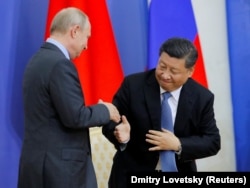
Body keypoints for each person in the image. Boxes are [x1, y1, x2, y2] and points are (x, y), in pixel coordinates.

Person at [18, 7, 121, 188]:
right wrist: (106, 110)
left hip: (38, 166)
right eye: (87, 37)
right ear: (75, 31)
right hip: (59, 171)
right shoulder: (60, 64)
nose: (87, 45)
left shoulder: (38, 60)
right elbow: (75, 117)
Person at [102, 37, 221, 188]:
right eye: (162, 66)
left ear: (190, 71)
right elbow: (111, 122)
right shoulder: (133, 86)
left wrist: (178, 144)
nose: (165, 75)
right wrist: (119, 135)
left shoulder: (202, 97)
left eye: (173, 71)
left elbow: (212, 141)